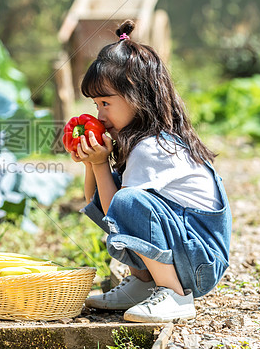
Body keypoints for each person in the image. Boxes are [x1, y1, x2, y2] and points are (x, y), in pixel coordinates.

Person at [70, 19, 231, 323]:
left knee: (128, 201)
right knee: (118, 196)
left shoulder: (152, 147)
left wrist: (101, 164)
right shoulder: (144, 141)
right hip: (192, 252)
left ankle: (175, 295)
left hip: (201, 263)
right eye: (95, 104)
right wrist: (94, 164)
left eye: (106, 103)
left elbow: (117, 209)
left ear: (138, 97)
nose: (99, 115)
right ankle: (145, 283)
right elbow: (99, 204)